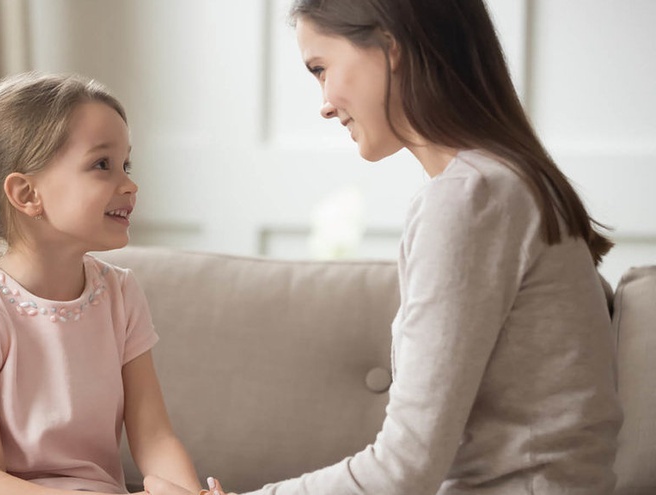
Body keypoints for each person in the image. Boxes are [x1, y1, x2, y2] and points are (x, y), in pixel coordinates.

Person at [144, 0, 622, 494]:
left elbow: (404, 469)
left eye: (321, 68)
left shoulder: (471, 198)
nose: (324, 102)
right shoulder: (511, 186)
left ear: (390, 47)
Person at [0, 72, 204, 495]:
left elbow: (154, 438)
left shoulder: (121, 295)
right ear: (26, 194)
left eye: (125, 164)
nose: (129, 185)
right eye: (102, 165)